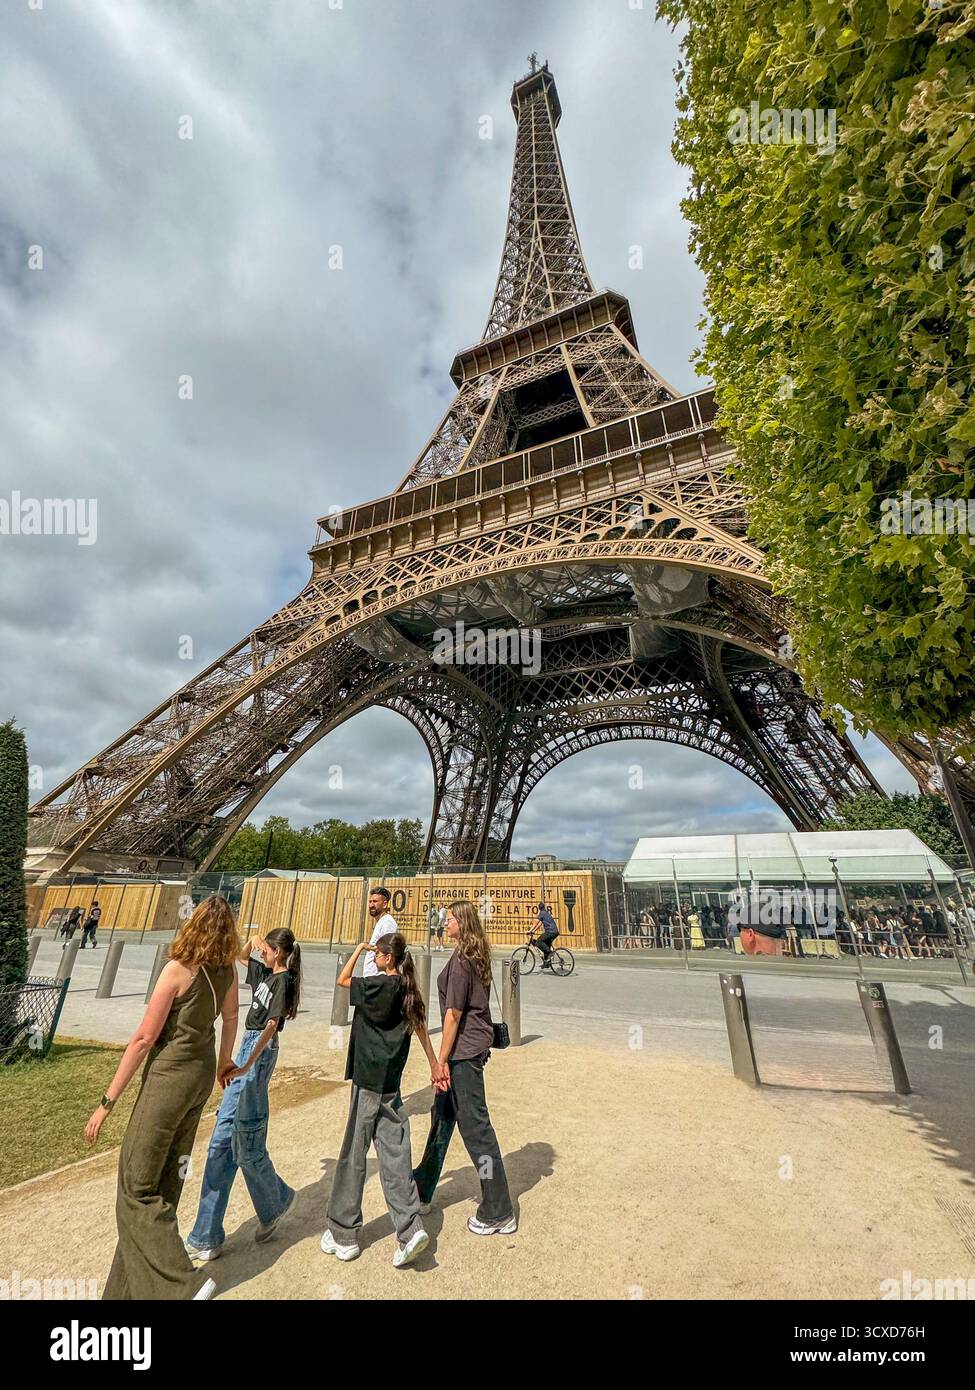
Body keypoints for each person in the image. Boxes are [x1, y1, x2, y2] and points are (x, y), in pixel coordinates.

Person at [84, 896, 240, 1301]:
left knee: (135, 1187)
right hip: (200, 1079)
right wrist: (225, 1060)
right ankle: (123, 1294)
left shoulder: (178, 970)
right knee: (165, 1184)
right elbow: (232, 1017)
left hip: (169, 1080)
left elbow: (143, 1039)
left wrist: (107, 1101)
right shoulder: (225, 971)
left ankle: (184, 1284)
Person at [322, 933, 441, 1267]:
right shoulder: (408, 990)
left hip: (367, 1078)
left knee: (353, 1153)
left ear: (388, 957)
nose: (374, 957)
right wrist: (433, 1064)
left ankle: (343, 1232)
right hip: (391, 1080)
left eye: (378, 953)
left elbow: (342, 980)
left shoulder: (378, 985)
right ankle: (409, 1228)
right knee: (395, 1155)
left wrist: (358, 949)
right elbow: (419, 1028)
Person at [184, 928, 300, 1265]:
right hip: (249, 1046)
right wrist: (254, 935)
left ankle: (208, 1234)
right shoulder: (265, 972)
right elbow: (241, 955)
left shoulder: (283, 982)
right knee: (233, 1142)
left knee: (229, 1139)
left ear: (279, 953)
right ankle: (272, 1201)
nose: (263, 953)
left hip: (258, 1052)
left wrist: (247, 1063)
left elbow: (272, 1025)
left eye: (269, 949)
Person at [413, 900, 516, 1237]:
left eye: (451, 919)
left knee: (476, 1130)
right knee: (442, 1120)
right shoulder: (476, 954)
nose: (445, 922)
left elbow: (453, 1014)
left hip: (463, 1055)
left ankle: (499, 1209)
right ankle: (423, 1188)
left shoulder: (461, 961)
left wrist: (440, 1060)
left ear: (464, 923)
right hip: (470, 1048)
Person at [363, 886, 398, 979]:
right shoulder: (381, 922)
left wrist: (366, 946)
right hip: (372, 976)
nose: (371, 905)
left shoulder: (387, 923)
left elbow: (388, 951)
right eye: (370, 901)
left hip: (378, 977)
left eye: (375, 901)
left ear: (384, 904)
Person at [531, 900, 560, 970]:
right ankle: (547, 963)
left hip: (551, 932)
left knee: (539, 941)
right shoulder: (546, 913)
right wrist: (534, 931)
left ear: (539, 908)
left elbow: (536, 922)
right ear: (544, 907)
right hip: (555, 932)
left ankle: (550, 953)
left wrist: (530, 930)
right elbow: (540, 924)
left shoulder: (542, 913)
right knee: (546, 946)